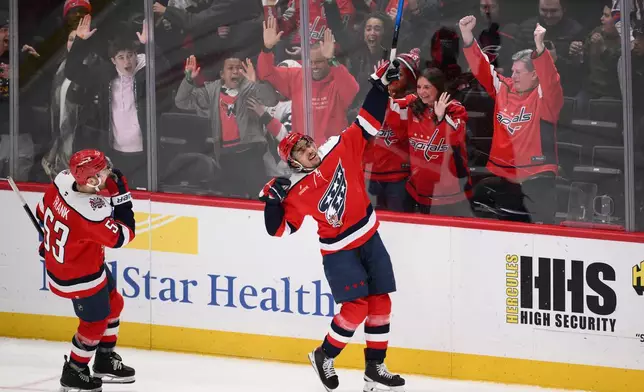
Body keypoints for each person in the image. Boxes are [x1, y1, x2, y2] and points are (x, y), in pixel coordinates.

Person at [259, 61, 405, 392]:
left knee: (381, 302)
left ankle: (375, 369)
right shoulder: (296, 191)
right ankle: (324, 354)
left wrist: (379, 87)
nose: (309, 150)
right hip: (339, 251)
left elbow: (367, 123)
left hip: (370, 236)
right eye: (300, 150)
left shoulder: (340, 148)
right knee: (356, 308)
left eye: (307, 143)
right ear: (292, 161)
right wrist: (272, 201)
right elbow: (280, 230)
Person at [36, 149, 136, 391]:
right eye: (104, 171)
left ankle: (104, 359)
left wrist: (49, 242)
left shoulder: (61, 182)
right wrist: (122, 197)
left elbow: (41, 212)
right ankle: (75, 370)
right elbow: (124, 236)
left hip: (83, 262)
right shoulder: (90, 212)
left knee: (115, 303)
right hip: (78, 276)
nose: (109, 172)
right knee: (94, 323)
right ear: (91, 181)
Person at [459, 15, 564, 224]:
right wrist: (467, 36)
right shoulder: (503, 88)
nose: (513, 76)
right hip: (506, 176)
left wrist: (540, 48)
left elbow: (551, 80)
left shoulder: (545, 97)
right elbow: (482, 68)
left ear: (535, 75)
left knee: (541, 235)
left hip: (538, 178)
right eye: (513, 71)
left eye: (519, 72)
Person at [392, 67, 472, 216]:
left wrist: (442, 118)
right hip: (419, 189)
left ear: (438, 88)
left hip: (450, 193)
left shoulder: (455, 109)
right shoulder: (414, 106)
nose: (422, 92)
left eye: (427, 87)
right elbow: (389, 108)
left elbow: (456, 140)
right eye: (419, 87)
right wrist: (383, 84)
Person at [363, 49, 420, 212]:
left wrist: (379, 87)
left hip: (398, 178)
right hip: (372, 176)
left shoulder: (412, 101)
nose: (393, 79)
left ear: (409, 79)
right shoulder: (380, 95)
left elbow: (399, 126)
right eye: (391, 74)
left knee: (400, 223)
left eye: (398, 75)